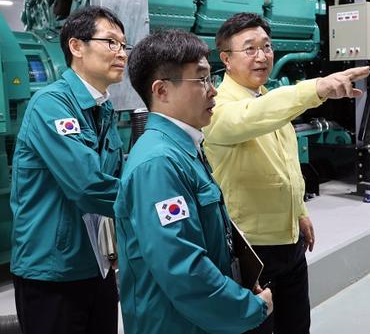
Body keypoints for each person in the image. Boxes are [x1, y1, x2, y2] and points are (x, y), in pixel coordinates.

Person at [203, 12, 370, 334]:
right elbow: (252, 117)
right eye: (249, 49)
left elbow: (285, 163)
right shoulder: (218, 108)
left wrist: (300, 213)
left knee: (296, 325)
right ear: (226, 59)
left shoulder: (268, 97)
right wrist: (316, 88)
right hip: (251, 249)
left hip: (290, 241)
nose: (262, 56)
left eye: (266, 47)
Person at [116, 29, 272, 334]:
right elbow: (183, 268)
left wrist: (237, 282)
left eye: (210, 79)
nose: (213, 91)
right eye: (201, 80)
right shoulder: (158, 164)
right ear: (162, 91)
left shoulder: (184, 148)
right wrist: (248, 307)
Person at [9, 6, 128, 334]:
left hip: (96, 264)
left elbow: (113, 178)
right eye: (111, 42)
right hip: (53, 270)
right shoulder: (51, 104)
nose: (121, 53)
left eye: (123, 45)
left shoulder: (103, 108)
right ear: (76, 46)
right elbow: (89, 186)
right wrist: (154, 198)